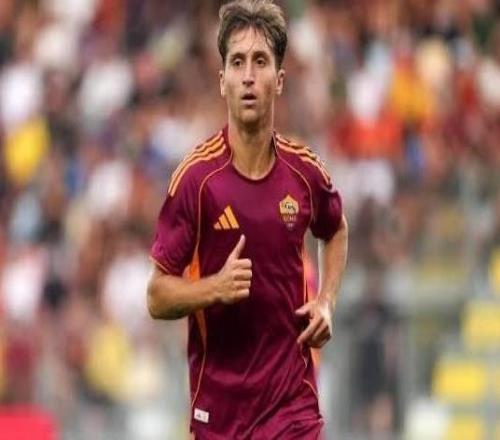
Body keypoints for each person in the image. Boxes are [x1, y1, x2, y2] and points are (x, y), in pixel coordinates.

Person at [147, 1, 348, 438]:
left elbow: (335, 229)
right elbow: (157, 295)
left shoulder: (305, 172)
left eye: (260, 61)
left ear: (280, 79)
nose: (249, 76)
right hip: (220, 411)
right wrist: (214, 288)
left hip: (291, 406)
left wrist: (327, 301)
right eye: (237, 63)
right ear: (222, 81)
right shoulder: (196, 180)